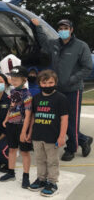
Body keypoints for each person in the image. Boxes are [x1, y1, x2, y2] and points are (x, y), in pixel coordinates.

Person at [32, 18, 93, 161]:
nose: (63, 31)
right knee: (60, 120)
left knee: (72, 120)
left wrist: (70, 80)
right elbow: (43, 42)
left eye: (66, 28)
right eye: (61, 28)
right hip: (57, 89)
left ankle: (71, 149)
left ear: (71, 30)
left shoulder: (81, 46)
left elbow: (87, 67)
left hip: (73, 89)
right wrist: (38, 27)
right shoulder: (54, 44)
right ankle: (83, 140)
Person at [28, 70, 69, 197]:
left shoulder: (61, 98)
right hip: (37, 135)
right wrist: (30, 133)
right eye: (44, 83)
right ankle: (41, 179)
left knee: (52, 161)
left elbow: (64, 118)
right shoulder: (36, 98)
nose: (47, 85)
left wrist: (62, 136)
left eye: (50, 82)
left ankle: (52, 183)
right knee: (39, 159)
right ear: (39, 83)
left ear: (55, 82)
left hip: (52, 136)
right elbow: (33, 117)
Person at [0, 66, 33, 189]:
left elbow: (28, 114)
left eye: (16, 79)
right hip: (12, 125)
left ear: (24, 80)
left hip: (21, 126)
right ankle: (11, 172)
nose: (13, 81)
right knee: (12, 149)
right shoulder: (14, 91)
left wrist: (24, 131)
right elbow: (12, 106)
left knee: (24, 152)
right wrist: (6, 118)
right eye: (12, 78)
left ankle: (26, 176)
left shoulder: (27, 94)